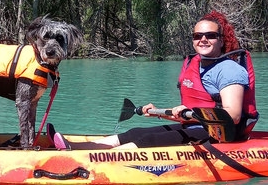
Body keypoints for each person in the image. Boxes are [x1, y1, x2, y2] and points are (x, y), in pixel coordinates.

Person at [92, 11, 258, 149]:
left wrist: (190, 113)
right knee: (134, 133)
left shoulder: (229, 69)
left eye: (211, 35)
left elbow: (233, 115)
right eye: (197, 36)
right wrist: (159, 112)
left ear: (221, 40)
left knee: (147, 141)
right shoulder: (196, 65)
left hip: (221, 134)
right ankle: (73, 148)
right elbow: (187, 115)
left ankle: (92, 160)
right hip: (196, 126)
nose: (203, 39)